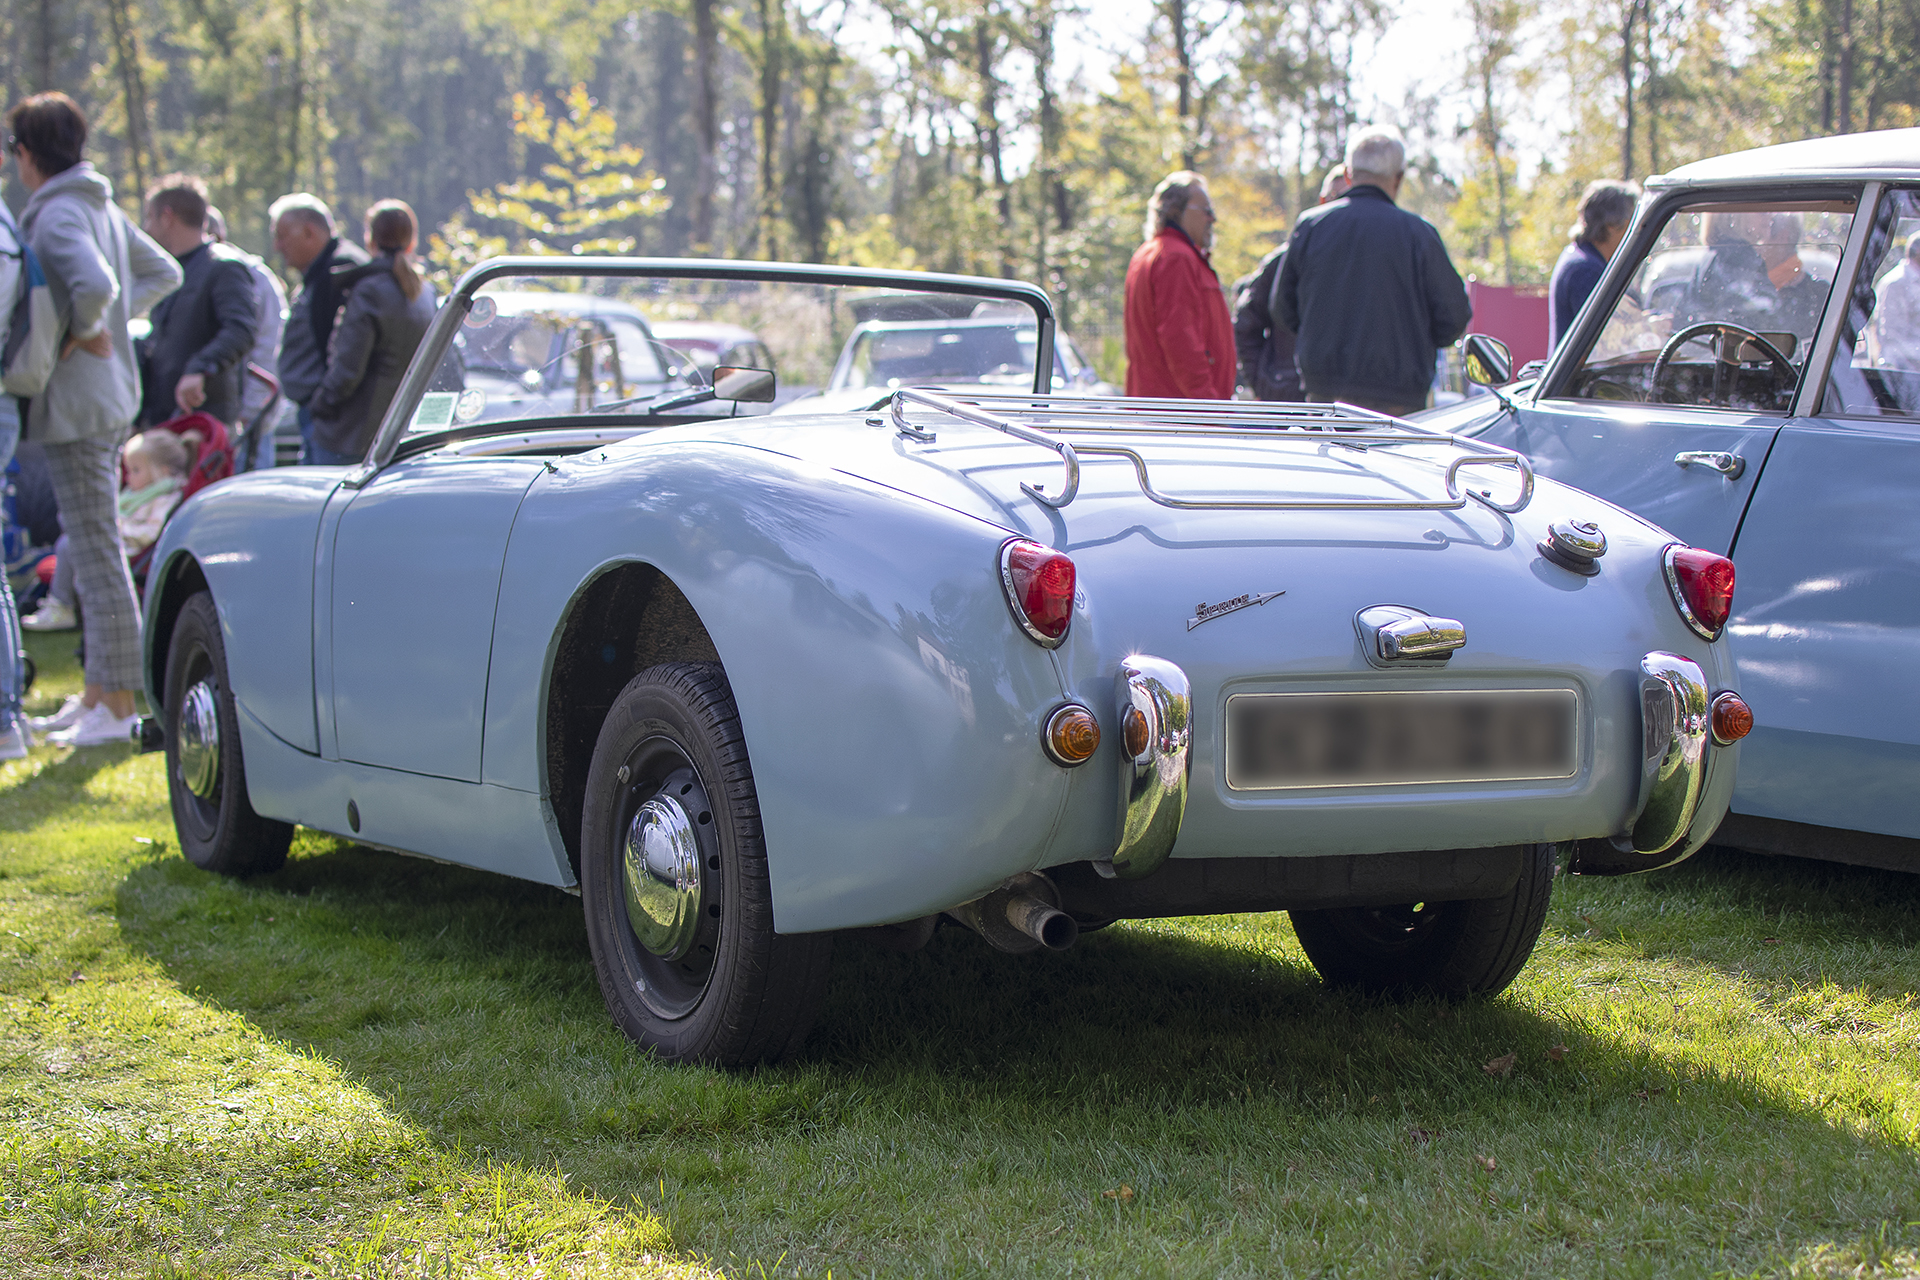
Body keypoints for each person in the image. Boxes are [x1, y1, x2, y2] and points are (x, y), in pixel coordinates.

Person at [8, 92, 182, 748]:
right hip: (106, 399)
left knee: (96, 550)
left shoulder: (55, 215)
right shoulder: (96, 202)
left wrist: (84, 332)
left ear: (27, 155)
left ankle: (114, 705)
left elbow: (97, 287)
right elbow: (160, 271)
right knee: (96, 544)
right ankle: (95, 696)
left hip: (79, 403)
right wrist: (104, 324)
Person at [1276, 127, 1473, 416]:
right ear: (1398, 178)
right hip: (1399, 404)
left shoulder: (1311, 227)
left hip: (1326, 399)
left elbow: (1282, 308)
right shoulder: (1419, 234)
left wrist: (1321, 341)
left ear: (1347, 174)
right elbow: (1453, 317)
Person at [307, 199, 435, 464]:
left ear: (370, 240)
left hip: (351, 435)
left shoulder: (369, 291)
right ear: (412, 241)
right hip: (400, 432)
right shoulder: (424, 293)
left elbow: (348, 369)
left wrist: (320, 405)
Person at [139, 175, 257, 432]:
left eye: (150, 218)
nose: (146, 229)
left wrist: (199, 369)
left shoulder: (223, 267)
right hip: (164, 419)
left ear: (167, 217)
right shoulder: (168, 271)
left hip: (202, 424)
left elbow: (241, 329)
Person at [1234, 165, 1351, 401]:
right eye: (1335, 198)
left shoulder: (1362, 265)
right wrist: (1263, 380)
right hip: (1287, 398)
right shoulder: (1282, 261)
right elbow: (1246, 323)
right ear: (1322, 200)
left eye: (1349, 199)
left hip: (1347, 400)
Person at [268, 193, 369, 463]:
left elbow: (350, 349)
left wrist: (325, 401)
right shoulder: (320, 272)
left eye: (282, 236)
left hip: (332, 422)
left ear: (309, 232)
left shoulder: (340, 269)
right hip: (317, 416)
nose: (278, 246)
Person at [1122, 171, 1236, 399]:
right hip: (1181, 416)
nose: (1212, 219)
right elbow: (1180, 339)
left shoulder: (1149, 253)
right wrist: (1208, 407)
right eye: (1206, 211)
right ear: (1176, 211)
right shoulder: (1176, 258)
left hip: (1163, 410)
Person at [206, 204, 287, 470]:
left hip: (246, 417)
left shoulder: (255, 277)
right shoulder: (189, 274)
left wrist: (252, 410)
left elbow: (268, 346)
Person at [1549, 179, 1639, 348]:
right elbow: (1607, 339)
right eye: (1632, 221)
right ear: (1612, 224)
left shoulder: (1582, 257)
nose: (1635, 229)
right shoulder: (1584, 269)